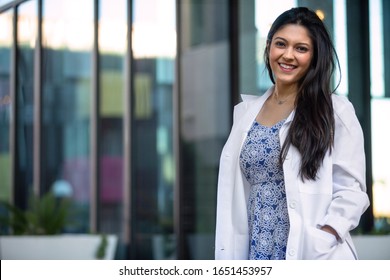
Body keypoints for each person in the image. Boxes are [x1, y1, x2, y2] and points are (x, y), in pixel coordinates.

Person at [214, 7, 370, 260]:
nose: (288, 55)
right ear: (268, 47)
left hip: (313, 254)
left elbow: (352, 191)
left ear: (315, 55)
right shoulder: (246, 113)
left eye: (301, 48)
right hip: (257, 251)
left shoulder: (335, 111)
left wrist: (325, 236)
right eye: (281, 44)